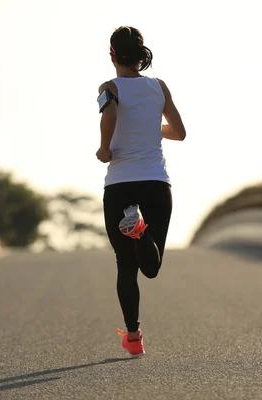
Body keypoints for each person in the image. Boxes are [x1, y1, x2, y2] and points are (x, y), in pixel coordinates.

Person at [96, 26, 186, 358]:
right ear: (140, 55)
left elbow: (110, 112)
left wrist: (105, 148)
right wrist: (153, 129)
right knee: (151, 267)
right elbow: (179, 132)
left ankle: (134, 337)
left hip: (120, 184)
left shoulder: (109, 88)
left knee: (125, 266)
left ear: (112, 55)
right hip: (155, 183)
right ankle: (140, 232)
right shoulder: (159, 87)